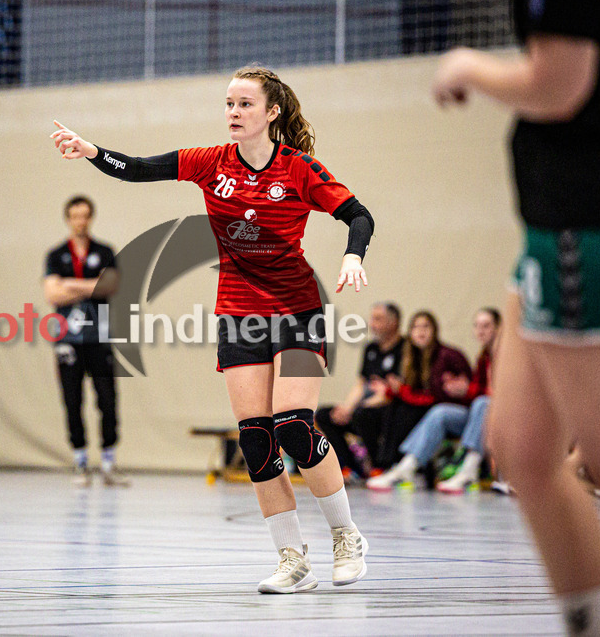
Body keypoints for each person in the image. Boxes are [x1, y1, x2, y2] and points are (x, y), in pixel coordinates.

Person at [51, 64, 375, 593]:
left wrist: (352, 255)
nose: (233, 112)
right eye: (228, 103)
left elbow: (358, 214)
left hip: (296, 309)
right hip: (239, 312)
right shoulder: (210, 163)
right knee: (255, 440)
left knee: (294, 425)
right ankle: (292, 559)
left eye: (245, 104)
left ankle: (346, 535)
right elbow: (136, 168)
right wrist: (91, 150)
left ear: (271, 113)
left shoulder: (299, 169)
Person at [432, 0, 600, 633]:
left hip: (596, 219)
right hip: (565, 219)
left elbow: (558, 85)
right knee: (524, 447)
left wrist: (467, 67)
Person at [366, 307, 499, 493]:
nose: (480, 331)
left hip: (499, 415)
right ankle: (407, 467)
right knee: (439, 412)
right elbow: (460, 395)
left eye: (486, 326)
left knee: (480, 403)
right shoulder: (482, 357)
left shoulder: (450, 356)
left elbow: (440, 396)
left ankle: (470, 468)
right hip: (474, 416)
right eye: (477, 326)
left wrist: (465, 390)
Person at [43, 196, 124, 486]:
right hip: (67, 339)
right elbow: (52, 294)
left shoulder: (104, 251)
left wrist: (69, 285)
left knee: (108, 400)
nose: (81, 221)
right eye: (76, 216)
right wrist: (91, 286)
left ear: (91, 217)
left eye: (85, 215)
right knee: (72, 399)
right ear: (68, 218)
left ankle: (108, 463)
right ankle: (79, 460)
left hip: (99, 338)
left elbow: (110, 285)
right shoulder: (56, 255)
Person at [371, 310, 470, 475]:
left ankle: (402, 465)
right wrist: (391, 390)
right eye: (416, 327)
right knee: (392, 409)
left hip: (454, 411)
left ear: (435, 331)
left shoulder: (448, 355)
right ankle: (386, 464)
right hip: (431, 407)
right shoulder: (413, 358)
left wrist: (401, 391)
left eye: (426, 326)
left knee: (407, 412)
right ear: (410, 333)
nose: (421, 331)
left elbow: (435, 397)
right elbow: (415, 392)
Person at [315, 301, 404, 479]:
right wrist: (347, 407)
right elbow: (361, 383)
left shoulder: (405, 348)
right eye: (372, 318)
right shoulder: (371, 348)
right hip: (365, 406)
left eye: (378, 319)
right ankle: (351, 466)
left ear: (394, 322)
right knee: (325, 415)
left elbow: (396, 389)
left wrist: (361, 406)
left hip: (389, 410)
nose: (372, 324)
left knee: (363, 415)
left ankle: (379, 466)